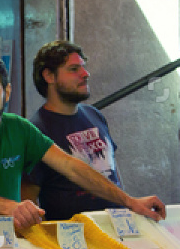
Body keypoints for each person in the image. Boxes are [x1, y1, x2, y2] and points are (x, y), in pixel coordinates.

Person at [0, 51, 165, 234]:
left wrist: (130, 201)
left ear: (6, 92)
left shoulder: (19, 128)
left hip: (9, 243)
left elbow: (71, 166)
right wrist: (13, 208)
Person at [22, 41, 126, 220]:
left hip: (116, 226)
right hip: (72, 236)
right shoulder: (37, 130)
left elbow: (114, 170)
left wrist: (127, 206)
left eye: (83, 67)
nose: (85, 74)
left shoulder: (94, 114)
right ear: (49, 76)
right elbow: (28, 197)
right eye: (73, 69)